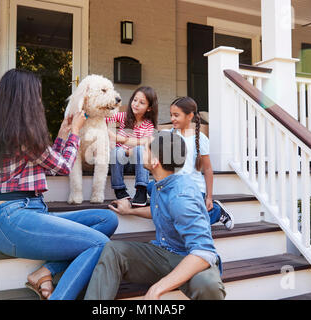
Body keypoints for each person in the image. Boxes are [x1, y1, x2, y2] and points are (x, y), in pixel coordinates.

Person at [0, 69, 118, 300]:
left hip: (30, 212)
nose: (40, 99)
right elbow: (64, 167)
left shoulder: (16, 131)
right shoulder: (22, 134)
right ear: (25, 98)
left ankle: (45, 271)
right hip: (15, 218)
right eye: (37, 94)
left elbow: (50, 163)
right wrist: (76, 131)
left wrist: (63, 134)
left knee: (107, 219)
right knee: (99, 244)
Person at [84, 131, 226, 300]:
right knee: (113, 250)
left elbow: (204, 252)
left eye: (145, 150)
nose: (141, 153)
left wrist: (158, 288)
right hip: (162, 253)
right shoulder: (160, 183)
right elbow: (161, 210)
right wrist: (130, 210)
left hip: (188, 259)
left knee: (209, 286)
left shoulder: (182, 196)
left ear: (155, 161)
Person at [164, 96, 235, 230]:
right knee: (151, 187)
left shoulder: (200, 139)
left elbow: (207, 169)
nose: (172, 118)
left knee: (185, 225)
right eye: (171, 115)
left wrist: (209, 197)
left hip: (194, 189)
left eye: (176, 115)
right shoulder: (167, 135)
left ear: (190, 116)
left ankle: (216, 212)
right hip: (175, 187)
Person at [106, 86, 158, 206]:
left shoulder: (148, 125)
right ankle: (119, 189)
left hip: (138, 164)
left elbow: (146, 143)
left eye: (142, 102)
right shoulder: (123, 116)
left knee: (140, 149)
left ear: (149, 108)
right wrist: (110, 136)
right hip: (120, 162)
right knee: (117, 152)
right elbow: (102, 120)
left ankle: (141, 190)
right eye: (135, 100)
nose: (136, 104)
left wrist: (119, 140)